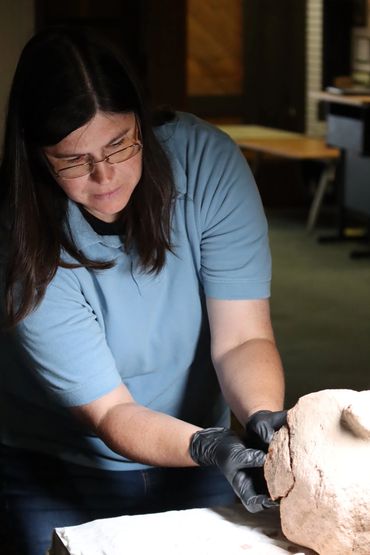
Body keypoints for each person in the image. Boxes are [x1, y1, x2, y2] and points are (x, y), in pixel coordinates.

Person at [0, 26, 286, 555]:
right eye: (73, 160)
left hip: (199, 450)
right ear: (39, 156)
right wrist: (208, 445)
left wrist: (263, 421)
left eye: (119, 143)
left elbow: (242, 338)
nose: (104, 176)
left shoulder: (207, 164)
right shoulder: (20, 237)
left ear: (143, 122)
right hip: (60, 466)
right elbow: (111, 413)